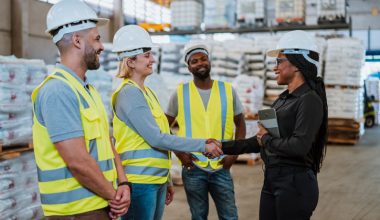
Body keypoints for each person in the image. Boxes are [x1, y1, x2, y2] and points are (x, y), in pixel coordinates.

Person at [111, 25, 223, 220]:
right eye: (146, 55)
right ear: (130, 61)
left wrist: (167, 178)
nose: (152, 59)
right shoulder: (129, 93)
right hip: (139, 181)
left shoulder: (147, 93)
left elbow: (163, 133)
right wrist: (202, 144)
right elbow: (156, 138)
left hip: (155, 179)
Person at [32, 0, 130, 219]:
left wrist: (123, 182)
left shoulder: (88, 90)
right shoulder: (58, 91)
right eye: (97, 38)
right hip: (75, 212)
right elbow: (77, 161)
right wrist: (114, 196)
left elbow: (107, 142)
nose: (102, 46)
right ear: (77, 40)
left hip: (98, 202)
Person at [221, 30, 328, 220]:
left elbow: (299, 146)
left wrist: (267, 139)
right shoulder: (283, 100)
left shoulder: (309, 100)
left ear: (296, 64)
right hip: (273, 179)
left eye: (279, 61)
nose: (274, 68)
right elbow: (259, 141)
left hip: (295, 184)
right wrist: (222, 147)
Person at [166, 41, 246, 220]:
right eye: (194, 61)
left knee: (230, 216)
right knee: (199, 217)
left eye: (203, 59)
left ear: (209, 61)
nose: (200, 63)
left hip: (222, 166)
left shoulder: (227, 90)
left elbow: (240, 123)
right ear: (189, 67)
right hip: (193, 168)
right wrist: (180, 154)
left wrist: (234, 154)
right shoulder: (180, 92)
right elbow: (164, 126)